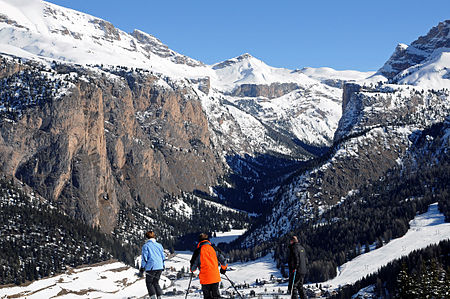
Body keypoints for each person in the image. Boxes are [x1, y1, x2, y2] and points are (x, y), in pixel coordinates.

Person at [190, 233, 228, 299]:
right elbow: (224, 261)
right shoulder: (214, 249)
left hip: (205, 279)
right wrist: (223, 269)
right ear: (208, 240)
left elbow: (193, 268)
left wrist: (192, 267)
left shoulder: (197, 251)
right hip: (215, 277)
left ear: (199, 241)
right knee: (216, 296)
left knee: (207, 297)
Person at [140, 231, 165, 299]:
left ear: (146, 237)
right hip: (160, 266)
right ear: (154, 236)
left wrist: (142, 267)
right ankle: (159, 297)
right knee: (156, 282)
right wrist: (163, 265)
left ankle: (153, 297)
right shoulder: (159, 245)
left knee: (149, 283)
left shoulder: (146, 246)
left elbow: (144, 258)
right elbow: (163, 256)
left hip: (151, 267)